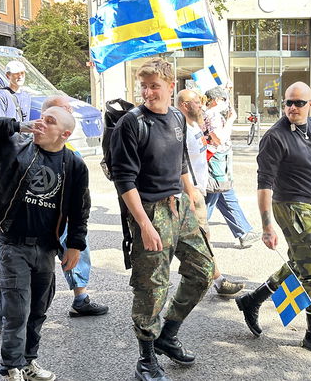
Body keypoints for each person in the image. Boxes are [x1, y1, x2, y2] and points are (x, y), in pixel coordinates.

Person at [0, 106, 89, 381]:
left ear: (65, 134)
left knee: (38, 309)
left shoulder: (73, 164)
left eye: (50, 122)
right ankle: (11, 368)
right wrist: (15, 125)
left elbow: (79, 209)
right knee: (17, 309)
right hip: (11, 241)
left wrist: (75, 245)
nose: (40, 123)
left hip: (46, 246)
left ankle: (28, 362)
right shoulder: (13, 146)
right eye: (41, 118)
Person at [111, 58, 214, 381]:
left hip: (179, 206)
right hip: (149, 210)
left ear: (171, 87)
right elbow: (124, 179)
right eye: (144, 85)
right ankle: (146, 359)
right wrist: (143, 224)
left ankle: (167, 335)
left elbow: (181, 162)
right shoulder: (132, 123)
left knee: (204, 272)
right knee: (151, 287)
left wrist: (194, 200)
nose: (148, 92)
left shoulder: (176, 119)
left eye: (154, 85)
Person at [236, 81, 311, 359]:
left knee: (301, 265)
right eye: (288, 102)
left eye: (299, 103)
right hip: (290, 207)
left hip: (309, 205)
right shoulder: (275, 137)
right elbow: (264, 185)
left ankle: (253, 299)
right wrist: (266, 226)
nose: (292, 108)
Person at [0, 95, 108, 326]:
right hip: (18, 231)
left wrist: (76, 240)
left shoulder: (70, 156)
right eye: (62, 110)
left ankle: (79, 297)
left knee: (45, 279)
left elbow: (80, 201)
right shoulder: (21, 146)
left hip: (56, 224)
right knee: (15, 276)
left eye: (68, 110)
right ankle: (7, 323)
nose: (69, 112)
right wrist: (18, 125)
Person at [177, 89, 245, 297]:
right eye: (197, 102)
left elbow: (210, 145)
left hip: (199, 190)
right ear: (185, 105)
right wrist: (191, 192)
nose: (202, 105)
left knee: (199, 238)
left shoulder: (195, 124)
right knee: (199, 238)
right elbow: (179, 164)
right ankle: (214, 281)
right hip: (191, 193)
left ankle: (212, 280)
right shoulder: (180, 129)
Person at [202, 87, 260, 248]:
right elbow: (219, 138)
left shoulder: (210, 113)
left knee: (226, 196)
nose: (227, 104)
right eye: (225, 100)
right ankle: (194, 234)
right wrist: (231, 119)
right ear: (217, 100)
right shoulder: (212, 114)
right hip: (216, 162)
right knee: (211, 199)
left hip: (217, 162)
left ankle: (244, 232)